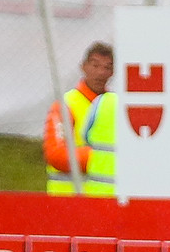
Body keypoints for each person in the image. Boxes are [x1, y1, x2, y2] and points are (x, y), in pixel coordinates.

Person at [44, 42, 116, 196]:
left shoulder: (113, 106)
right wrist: (101, 158)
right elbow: (56, 155)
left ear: (113, 72)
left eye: (107, 67)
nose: (100, 72)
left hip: (101, 200)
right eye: (95, 65)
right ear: (83, 66)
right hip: (66, 200)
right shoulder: (64, 105)